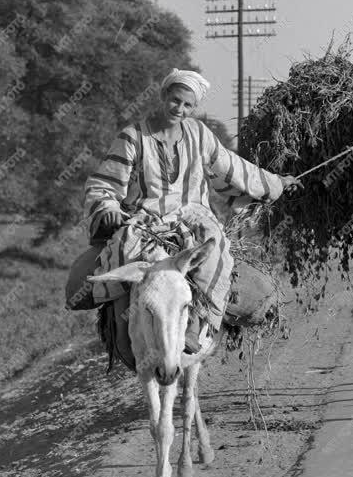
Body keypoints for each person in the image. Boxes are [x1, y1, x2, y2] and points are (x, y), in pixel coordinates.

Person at [81, 68, 299, 367]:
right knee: (123, 251)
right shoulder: (133, 136)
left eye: (187, 105)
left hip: (194, 215)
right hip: (147, 217)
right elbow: (105, 182)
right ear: (163, 96)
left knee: (216, 252)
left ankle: (197, 322)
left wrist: (275, 182)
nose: (179, 109)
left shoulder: (199, 133)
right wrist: (108, 208)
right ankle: (127, 337)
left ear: (194, 108)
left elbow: (232, 167)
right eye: (175, 100)